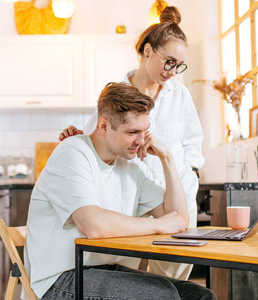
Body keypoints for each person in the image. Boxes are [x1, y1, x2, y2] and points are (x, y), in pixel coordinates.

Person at [23, 82, 215, 300]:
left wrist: (167, 158)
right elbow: (93, 225)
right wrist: (159, 225)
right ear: (104, 126)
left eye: (145, 131)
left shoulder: (131, 168)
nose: (141, 141)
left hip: (105, 269)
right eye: (132, 132)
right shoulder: (72, 153)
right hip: (57, 280)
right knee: (163, 295)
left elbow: (179, 220)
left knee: (198, 295)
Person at [59, 6, 204, 280]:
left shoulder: (180, 95)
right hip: (131, 199)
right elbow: (96, 139)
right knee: (129, 276)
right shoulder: (118, 94)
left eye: (179, 65)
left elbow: (194, 142)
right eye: (169, 61)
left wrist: (192, 172)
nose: (173, 71)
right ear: (148, 51)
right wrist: (76, 136)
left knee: (172, 280)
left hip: (177, 197)